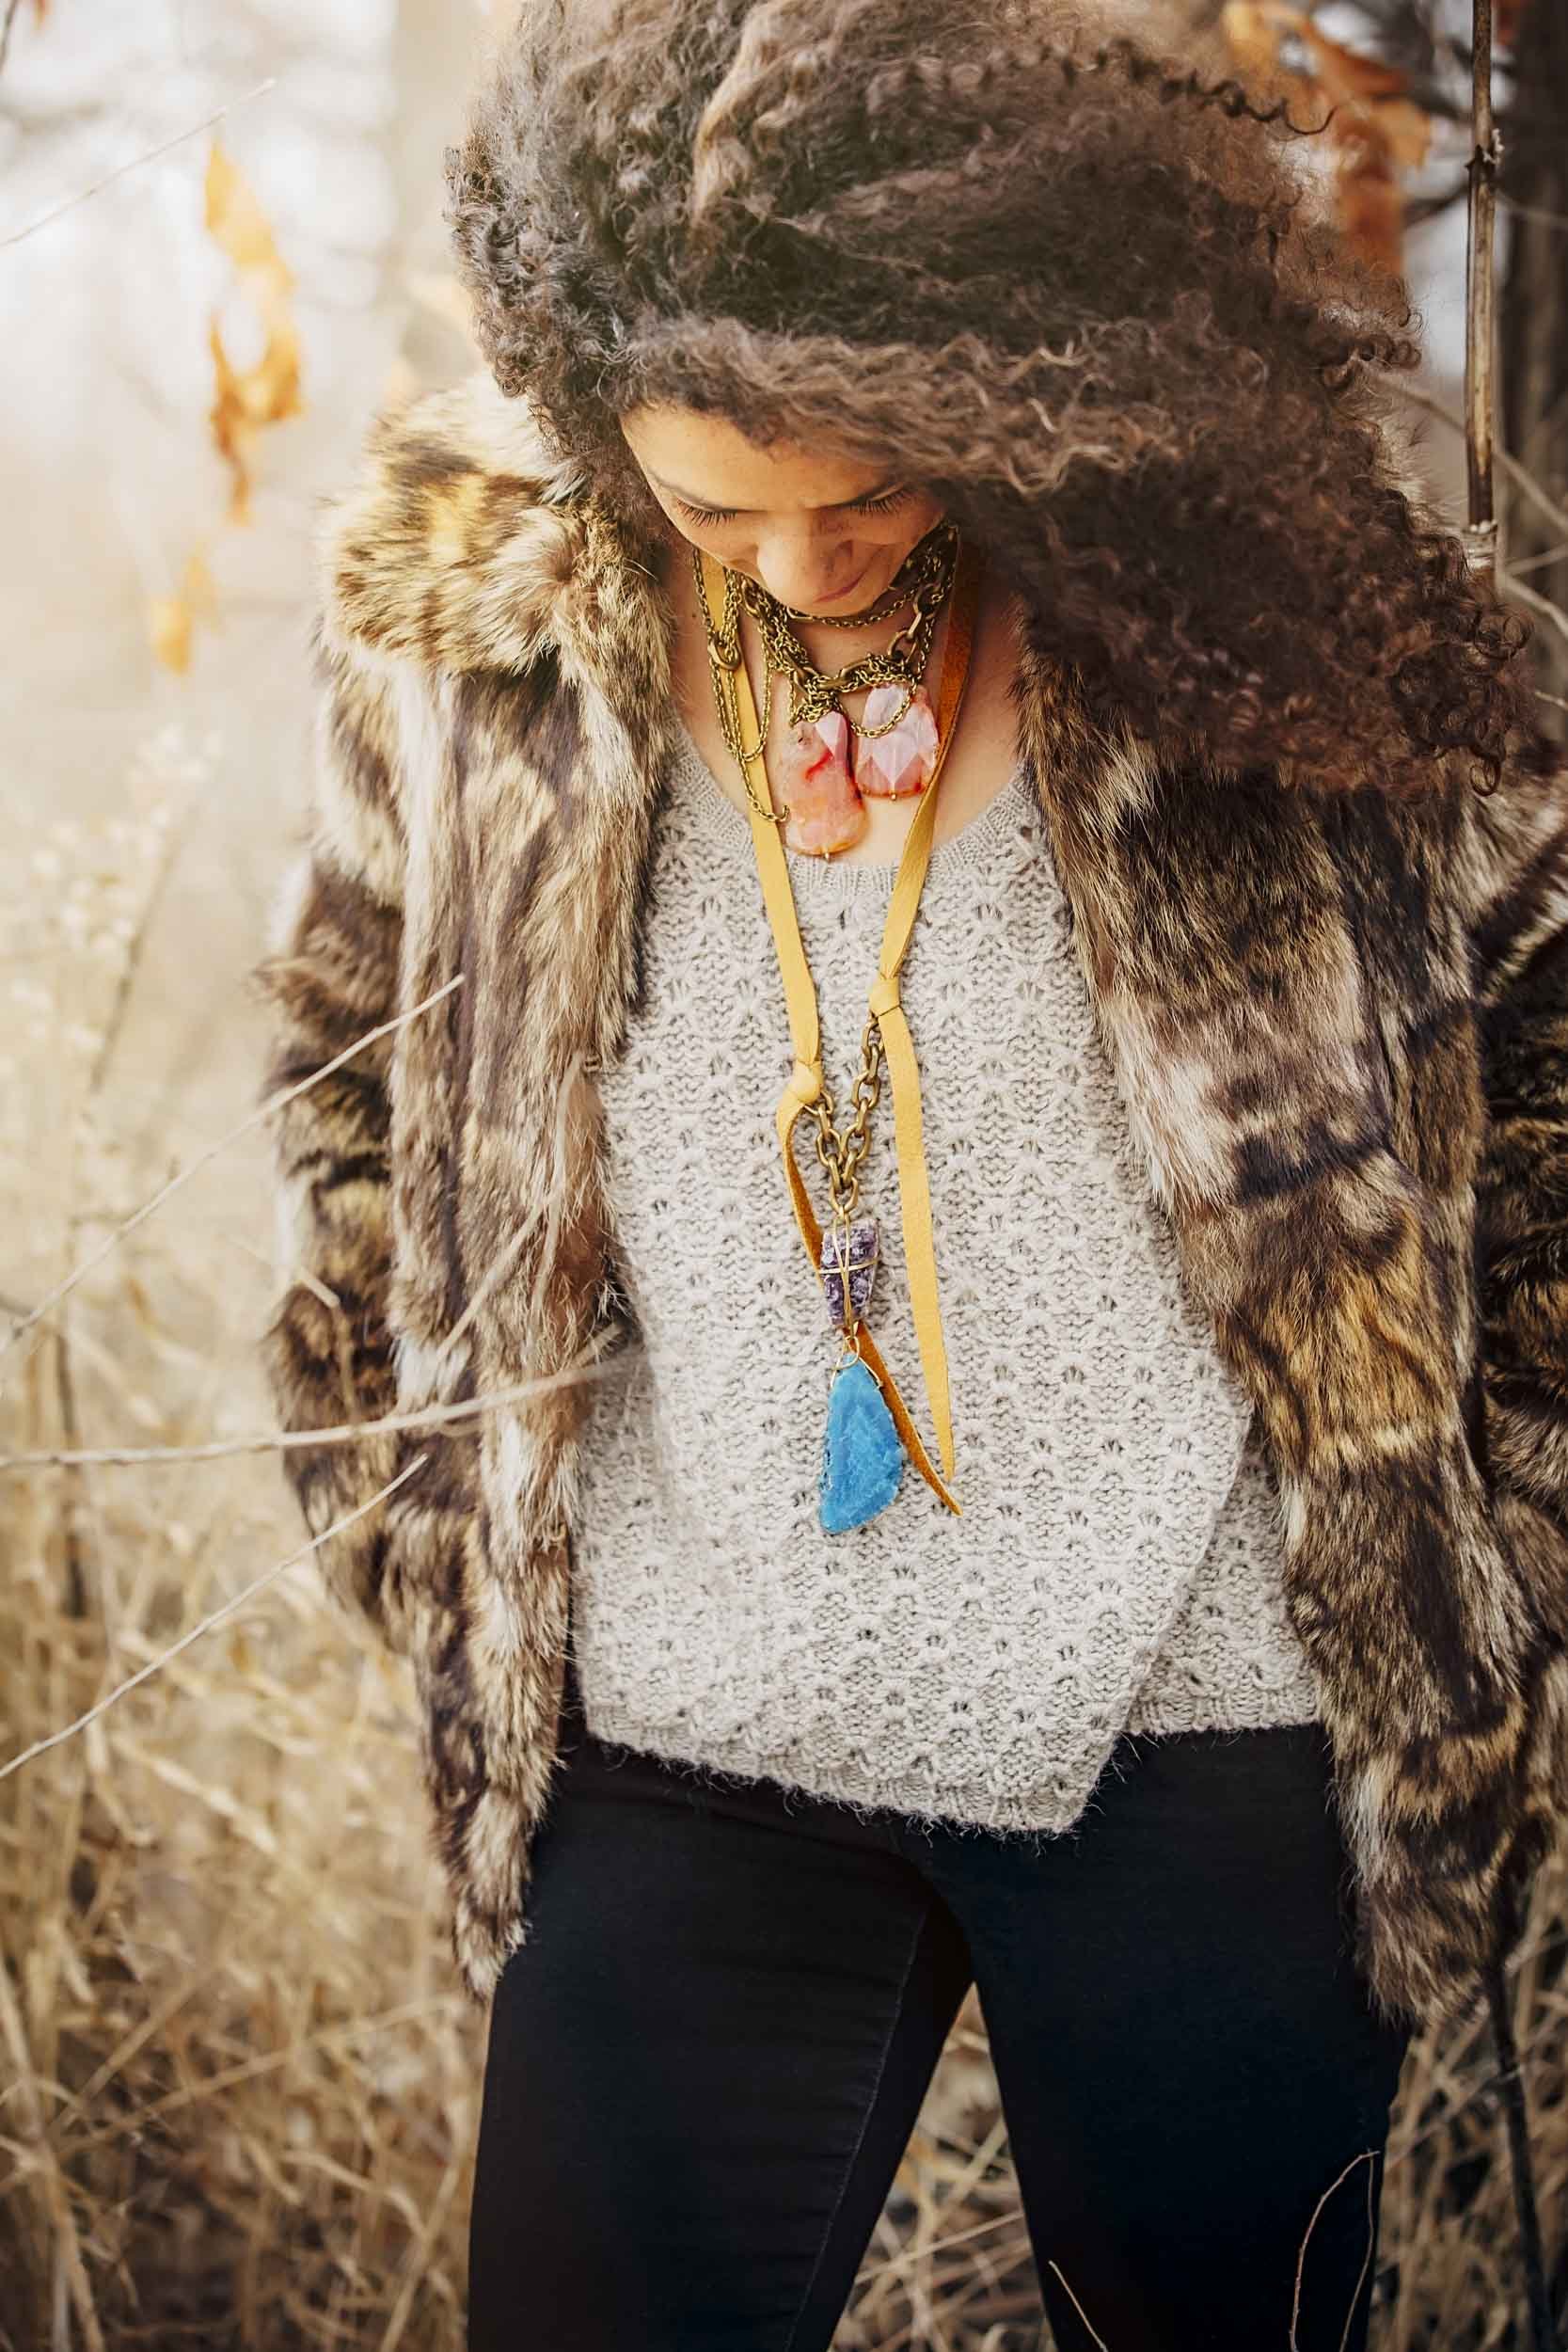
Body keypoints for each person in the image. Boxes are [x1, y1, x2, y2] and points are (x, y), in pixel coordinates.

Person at [257, 2, 1568, 2344]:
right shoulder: (481, 633)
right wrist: (412, 1490)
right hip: (680, 1707)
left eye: (864, 490)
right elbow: (349, 1069)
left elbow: (1554, 1010)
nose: (790, 564)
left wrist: (1512, 1507)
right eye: (707, 506)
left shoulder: (1239, 589)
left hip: (1210, 1706)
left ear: (1000, 382)